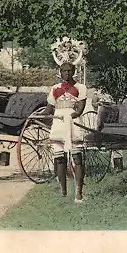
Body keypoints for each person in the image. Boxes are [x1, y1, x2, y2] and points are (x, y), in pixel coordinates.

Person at [43, 39, 88, 204]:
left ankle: (78, 193)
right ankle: (63, 192)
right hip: (58, 126)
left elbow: (80, 109)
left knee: (77, 158)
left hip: (74, 126)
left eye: (69, 71)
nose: (67, 73)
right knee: (59, 159)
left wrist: (70, 116)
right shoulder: (55, 89)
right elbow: (49, 108)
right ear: (60, 72)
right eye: (64, 71)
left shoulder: (81, 88)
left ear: (74, 71)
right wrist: (38, 115)